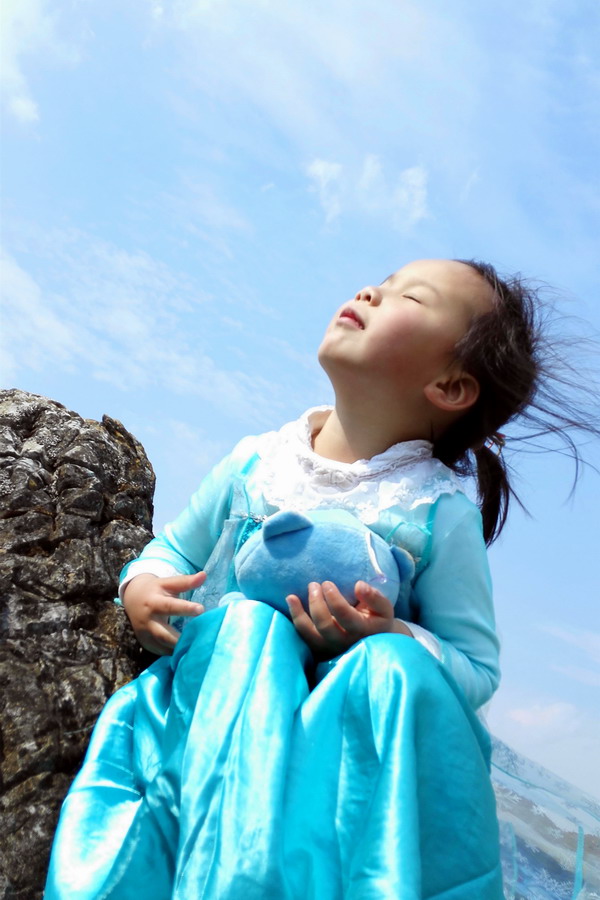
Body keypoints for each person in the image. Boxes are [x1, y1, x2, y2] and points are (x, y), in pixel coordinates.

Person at [44, 259, 595, 900]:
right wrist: (142, 587)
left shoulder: (435, 513)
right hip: (224, 709)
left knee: (394, 664)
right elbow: (172, 547)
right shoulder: (259, 461)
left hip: (342, 758)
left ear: (449, 385)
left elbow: (474, 667)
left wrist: (388, 633)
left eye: (408, 297)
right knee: (247, 623)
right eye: (381, 283)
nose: (370, 291)